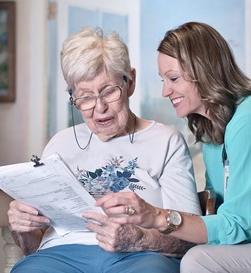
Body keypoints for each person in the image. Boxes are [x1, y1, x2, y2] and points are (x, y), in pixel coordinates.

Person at [8, 27, 202, 273]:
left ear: (129, 82)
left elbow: (189, 238)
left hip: (140, 254)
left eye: (108, 91)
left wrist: (139, 239)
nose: (99, 107)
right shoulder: (60, 143)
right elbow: (33, 248)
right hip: (60, 255)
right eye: (85, 97)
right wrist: (23, 228)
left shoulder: (166, 141)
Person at [92, 22, 251, 273]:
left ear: (205, 70)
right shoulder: (211, 133)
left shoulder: (246, 121)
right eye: (163, 80)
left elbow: (238, 225)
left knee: (197, 260)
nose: (165, 91)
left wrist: (158, 216)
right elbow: (215, 210)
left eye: (173, 78)